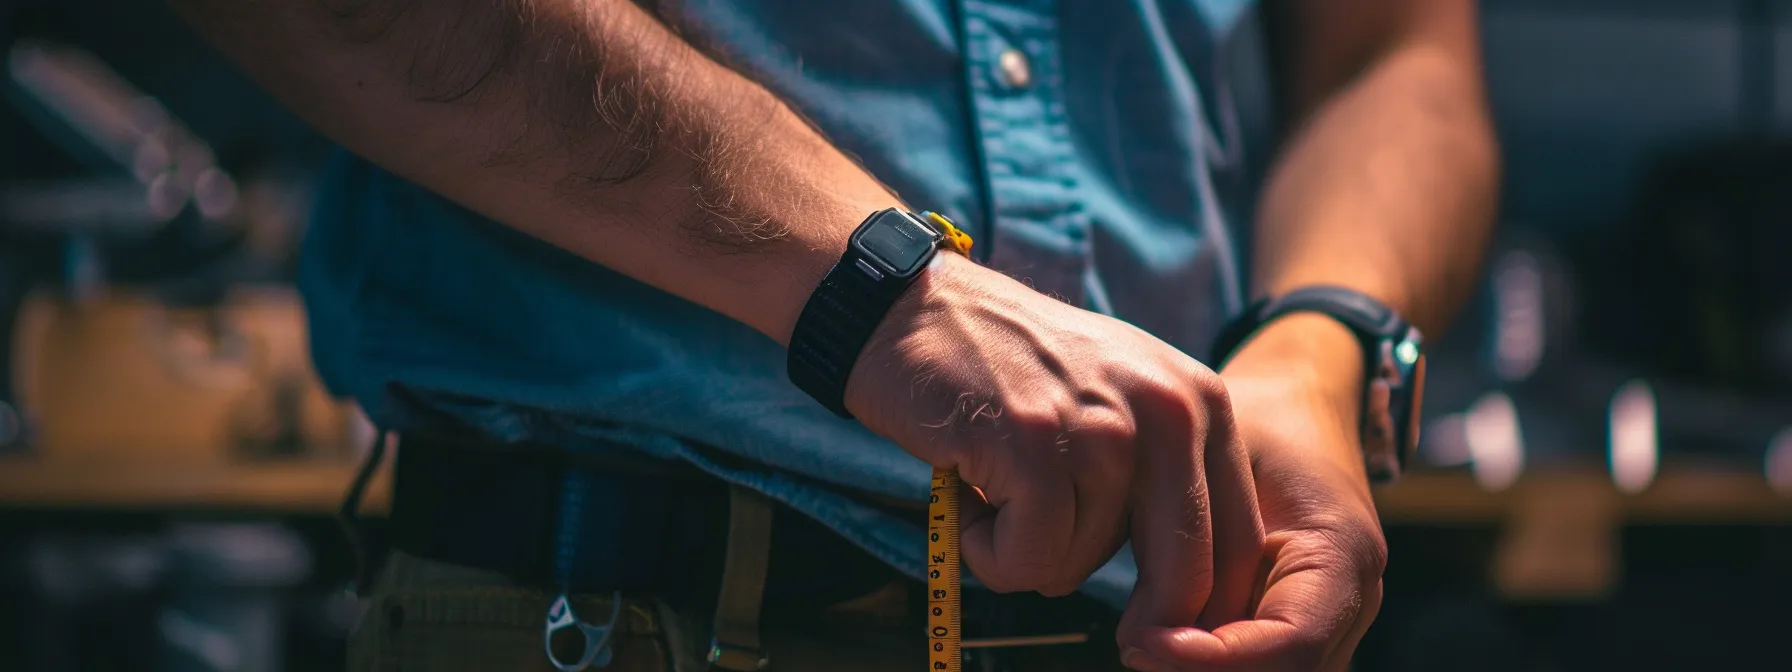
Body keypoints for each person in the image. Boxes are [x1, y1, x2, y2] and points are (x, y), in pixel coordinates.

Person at [175, 0, 1497, 670]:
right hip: (607, 611)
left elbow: (1399, 60)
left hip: (1158, 620)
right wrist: (876, 291)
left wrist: (1315, 353)